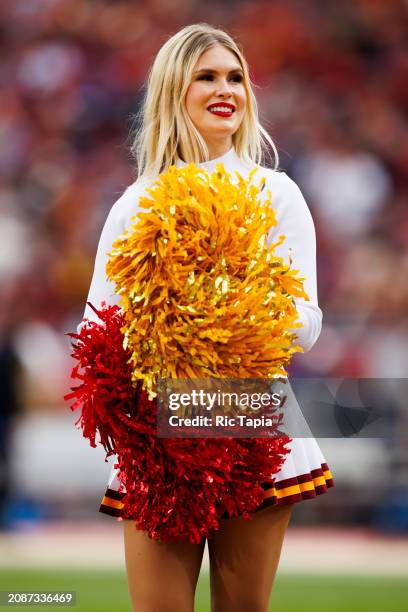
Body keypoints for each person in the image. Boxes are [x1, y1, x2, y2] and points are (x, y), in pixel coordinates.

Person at [79, 23, 334, 612]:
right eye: (207, 76)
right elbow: (97, 322)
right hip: (158, 424)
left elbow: (307, 324)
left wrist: (208, 302)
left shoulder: (277, 194)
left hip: (251, 412)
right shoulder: (136, 201)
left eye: (236, 77)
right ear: (175, 89)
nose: (227, 90)